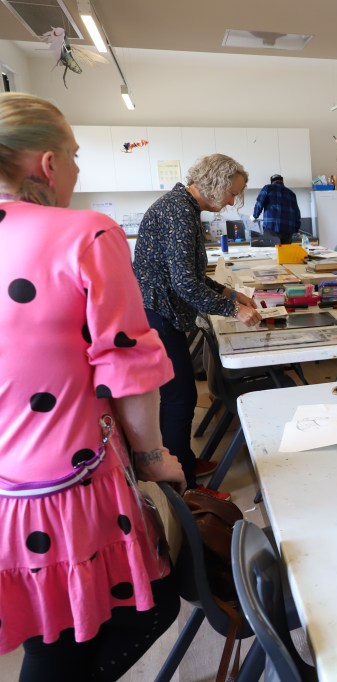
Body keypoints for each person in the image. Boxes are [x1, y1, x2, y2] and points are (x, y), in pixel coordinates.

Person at [0, 92, 185, 680]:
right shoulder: (87, 234)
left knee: (49, 631)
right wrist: (156, 458)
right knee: (132, 615)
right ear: (47, 165)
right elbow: (128, 367)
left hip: (7, 497)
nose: (78, 170)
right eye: (74, 155)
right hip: (68, 488)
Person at [134, 154, 262, 494]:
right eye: (232, 193)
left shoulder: (184, 207)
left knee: (181, 395)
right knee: (179, 398)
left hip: (160, 311)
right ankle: (184, 487)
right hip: (157, 314)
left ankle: (184, 462)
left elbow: (191, 275)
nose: (234, 200)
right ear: (216, 184)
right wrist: (233, 311)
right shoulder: (178, 211)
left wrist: (231, 294)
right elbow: (184, 284)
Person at [251, 173, 301, 245]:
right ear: (282, 181)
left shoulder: (268, 188)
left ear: (272, 182)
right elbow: (297, 214)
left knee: (272, 253)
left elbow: (259, 203)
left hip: (271, 228)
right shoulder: (291, 194)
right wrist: (296, 229)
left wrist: (254, 216)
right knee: (284, 254)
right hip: (288, 232)